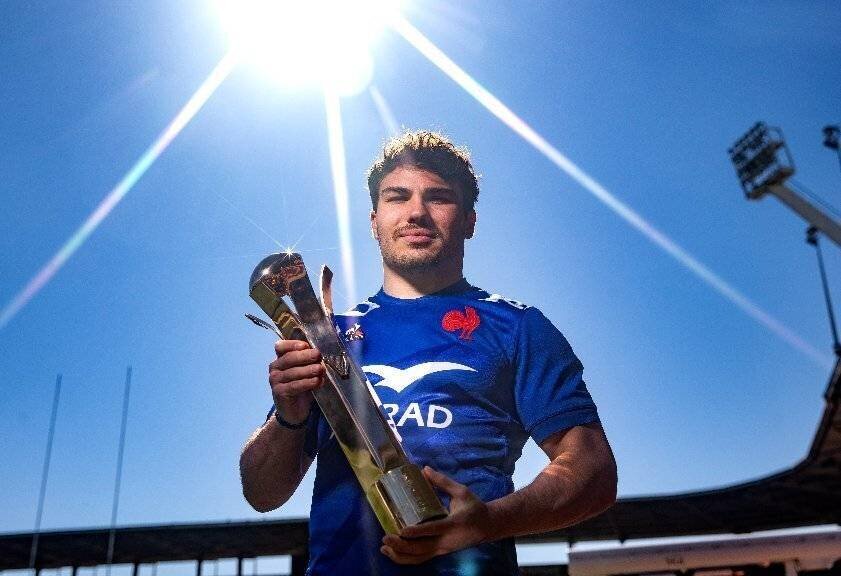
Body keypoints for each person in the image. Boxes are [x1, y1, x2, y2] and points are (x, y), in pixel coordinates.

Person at [240, 130, 617, 575]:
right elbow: (262, 494)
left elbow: (592, 468)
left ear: (470, 221)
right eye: (397, 197)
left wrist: (490, 521)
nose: (416, 212)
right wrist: (289, 415)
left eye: (438, 197)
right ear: (374, 221)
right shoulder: (328, 337)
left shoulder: (518, 327)